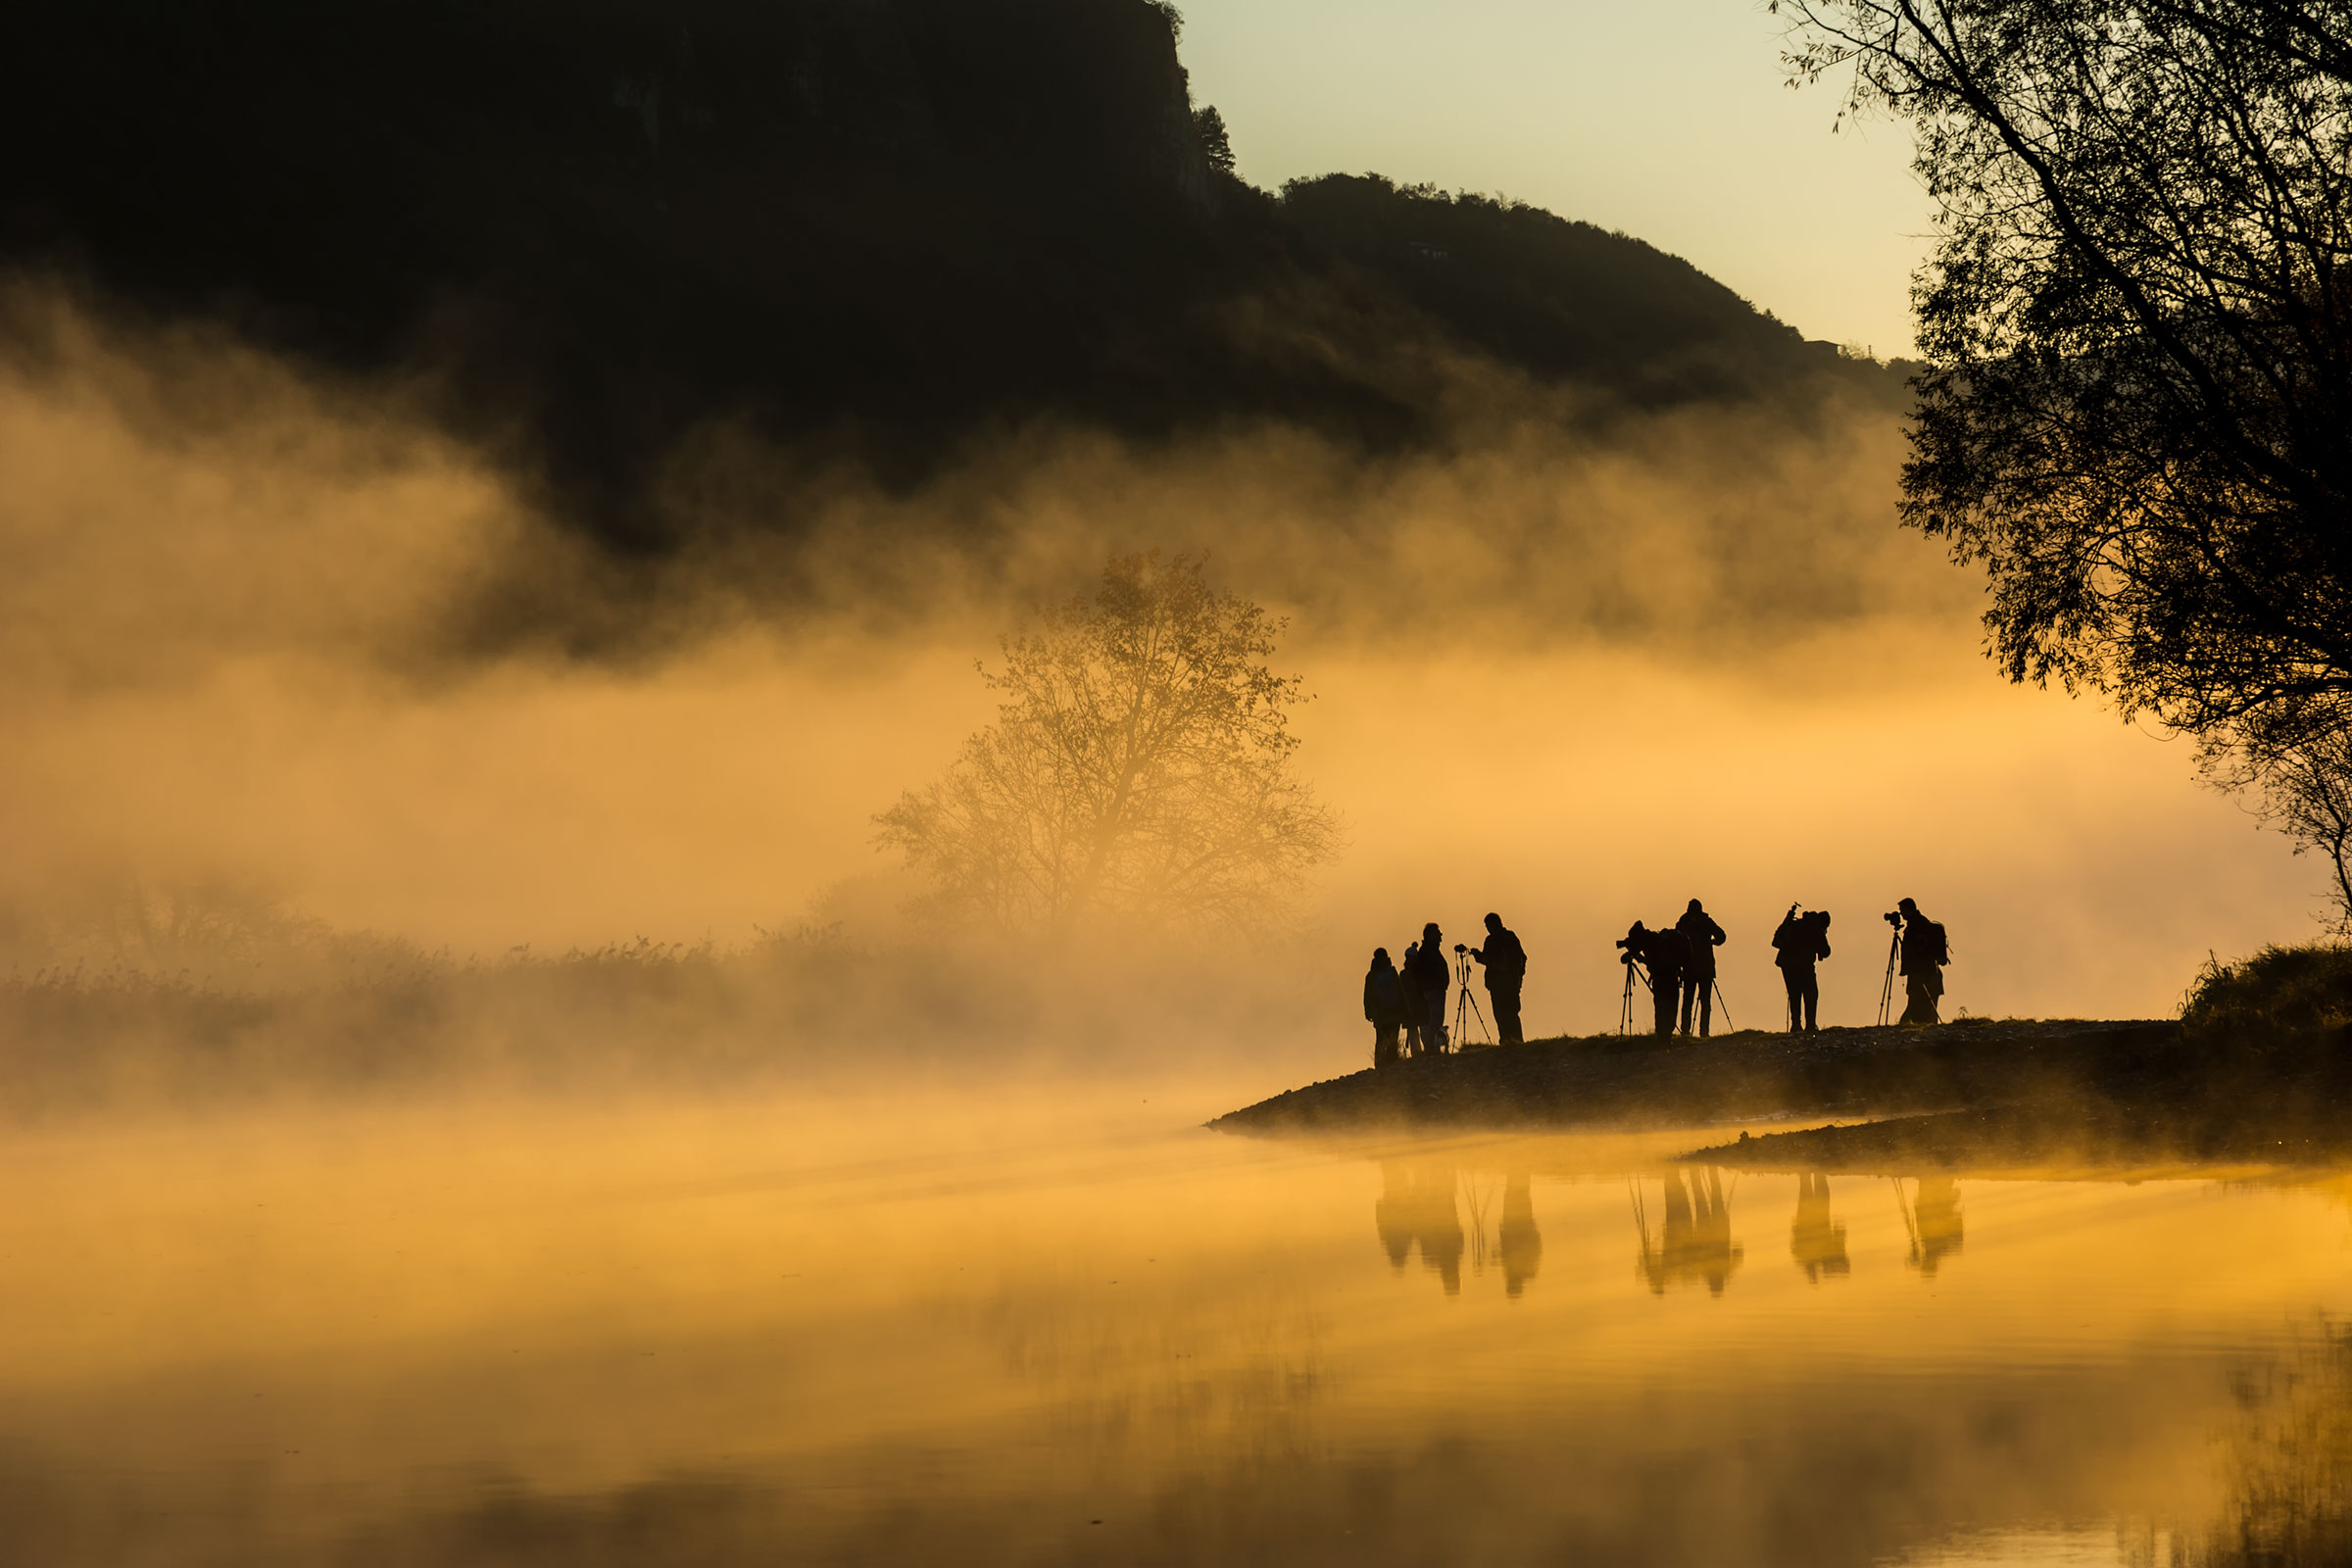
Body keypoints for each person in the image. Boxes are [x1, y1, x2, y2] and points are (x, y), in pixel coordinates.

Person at [1470, 912, 1528, 1047]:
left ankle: (1507, 1041)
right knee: (1512, 1014)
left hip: (1498, 985)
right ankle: (1516, 1042)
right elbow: (1522, 958)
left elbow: (1487, 960)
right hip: (1511, 984)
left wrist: (1476, 954)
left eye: (1487, 925)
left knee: (1501, 1015)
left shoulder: (1492, 940)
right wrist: (1518, 977)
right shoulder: (1510, 937)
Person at [1772, 904, 1833, 1032]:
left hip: (1787, 965)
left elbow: (1776, 940)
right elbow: (1826, 951)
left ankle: (1796, 1025)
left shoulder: (1796, 924)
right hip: (1804, 966)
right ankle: (1810, 1025)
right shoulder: (1815, 928)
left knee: (1794, 995)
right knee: (1811, 994)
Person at [1674, 899, 1727, 1037]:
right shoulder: (1706, 921)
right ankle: (1704, 1032)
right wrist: (1711, 942)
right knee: (1705, 1002)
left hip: (1689, 967)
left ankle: (1685, 1032)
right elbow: (1722, 936)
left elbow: (1675, 939)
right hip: (1706, 967)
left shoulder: (1683, 922)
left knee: (1687, 1002)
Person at [1625, 920, 1687, 1038]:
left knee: (1661, 1007)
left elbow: (1654, 963)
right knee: (1670, 1006)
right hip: (1671, 977)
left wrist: (1640, 959)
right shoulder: (1656, 939)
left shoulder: (1650, 942)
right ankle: (1667, 1033)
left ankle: (1663, 1035)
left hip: (1661, 978)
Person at [1896, 897, 1949, 1025]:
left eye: (1902, 910)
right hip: (1928, 972)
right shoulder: (1919, 924)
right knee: (1924, 1008)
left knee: (1919, 1007)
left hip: (1923, 973)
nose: (1901, 914)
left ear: (1909, 910)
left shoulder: (1918, 926)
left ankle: (1905, 1027)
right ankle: (1929, 1031)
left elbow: (1919, 951)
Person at [1405, 923, 1452, 1052]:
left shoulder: (1428, 951)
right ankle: (1432, 1048)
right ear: (1431, 935)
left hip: (1433, 990)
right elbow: (1426, 972)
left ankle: (1432, 1047)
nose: (1440, 936)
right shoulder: (1429, 952)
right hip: (1433, 991)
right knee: (1433, 1020)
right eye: (1438, 933)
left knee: (1433, 1020)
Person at [1363, 948, 1405, 1068]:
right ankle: (1393, 1062)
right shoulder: (1392, 972)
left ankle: (1380, 1065)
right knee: (1393, 1039)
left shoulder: (1371, 975)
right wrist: (1406, 1010)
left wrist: (1369, 1012)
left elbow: (1368, 995)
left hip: (1380, 1014)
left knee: (1381, 1040)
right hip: (1394, 1012)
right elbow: (1401, 991)